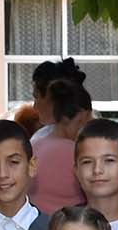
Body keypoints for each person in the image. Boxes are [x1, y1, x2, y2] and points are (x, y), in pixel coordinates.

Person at [27, 80, 93, 213]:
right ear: (82, 115)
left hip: (34, 221)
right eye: (89, 118)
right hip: (71, 221)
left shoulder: (34, 144)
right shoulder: (80, 152)